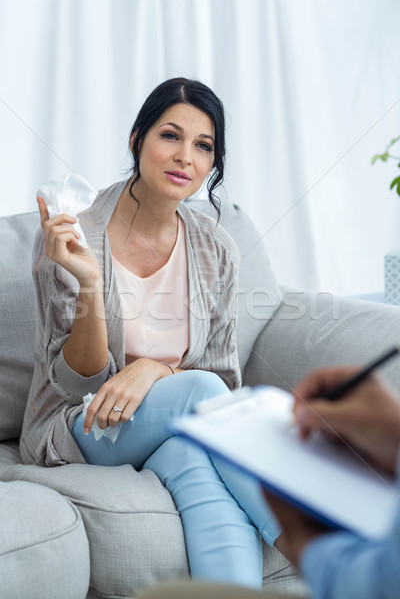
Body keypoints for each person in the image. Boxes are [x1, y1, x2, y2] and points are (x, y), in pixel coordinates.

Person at [20, 77, 282, 589]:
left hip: (172, 426)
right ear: (137, 139)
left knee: (198, 467)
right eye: (170, 135)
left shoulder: (216, 249)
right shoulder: (75, 232)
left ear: (213, 164)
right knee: (200, 397)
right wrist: (90, 281)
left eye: (203, 146)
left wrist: (156, 369)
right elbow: (76, 385)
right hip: (79, 425)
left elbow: (221, 380)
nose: (185, 156)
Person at [136, 366, 400, 599]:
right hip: (116, 418)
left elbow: (227, 375)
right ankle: (288, 537)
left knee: (188, 456)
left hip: (181, 434)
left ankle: (290, 539)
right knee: (205, 388)